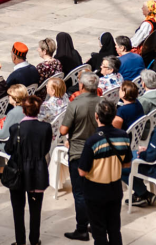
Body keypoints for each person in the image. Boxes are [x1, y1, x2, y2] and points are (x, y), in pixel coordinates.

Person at [77, 100, 132, 245]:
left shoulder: (92, 141)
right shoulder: (124, 136)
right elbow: (127, 163)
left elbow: (82, 172)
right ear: (114, 116)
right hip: (115, 188)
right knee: (114, 228)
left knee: (99, 231)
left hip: (95, 190)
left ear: (96, 116)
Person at [4, 94, 52, 245]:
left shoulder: (16, 128)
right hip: (37, 171)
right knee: (35, 210)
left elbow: (9, 149)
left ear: (24, 111)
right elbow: (45, 149)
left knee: (18, 211)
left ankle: (20, 241)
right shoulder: (46, 128)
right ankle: (34, 240)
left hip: (18, 171)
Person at [60, 71, 101, 240]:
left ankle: (82, 228)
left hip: (78, 151)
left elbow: (63, 129)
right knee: (95, 189)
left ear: (81, 86)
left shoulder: (75, 104)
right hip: (99, 150)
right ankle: (95, 223)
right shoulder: (103, 102)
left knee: (80, 192)